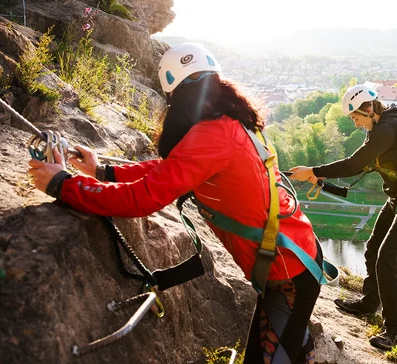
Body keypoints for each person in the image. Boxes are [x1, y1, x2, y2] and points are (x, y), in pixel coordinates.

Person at [27, 43, 320, 364]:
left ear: (174, 95)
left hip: (288, 275)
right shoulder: (232, 123)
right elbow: (173, 169)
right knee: (284, 344)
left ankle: (296, 346)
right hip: (294, 257)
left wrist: (63, 184)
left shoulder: (212, 134)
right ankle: (298, 346)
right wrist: (101, 171)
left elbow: (142, 198)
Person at [289, 84, 397, 350]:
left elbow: (353, 164)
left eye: (356, 118)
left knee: (389, 258)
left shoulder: (387, 130)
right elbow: (356, 170)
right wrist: (320, 178)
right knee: (372, 250)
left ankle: (396, 331)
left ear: (369, 109)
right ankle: (369, 304)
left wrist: (313, 169)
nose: (357, 124)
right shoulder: (381, 131)